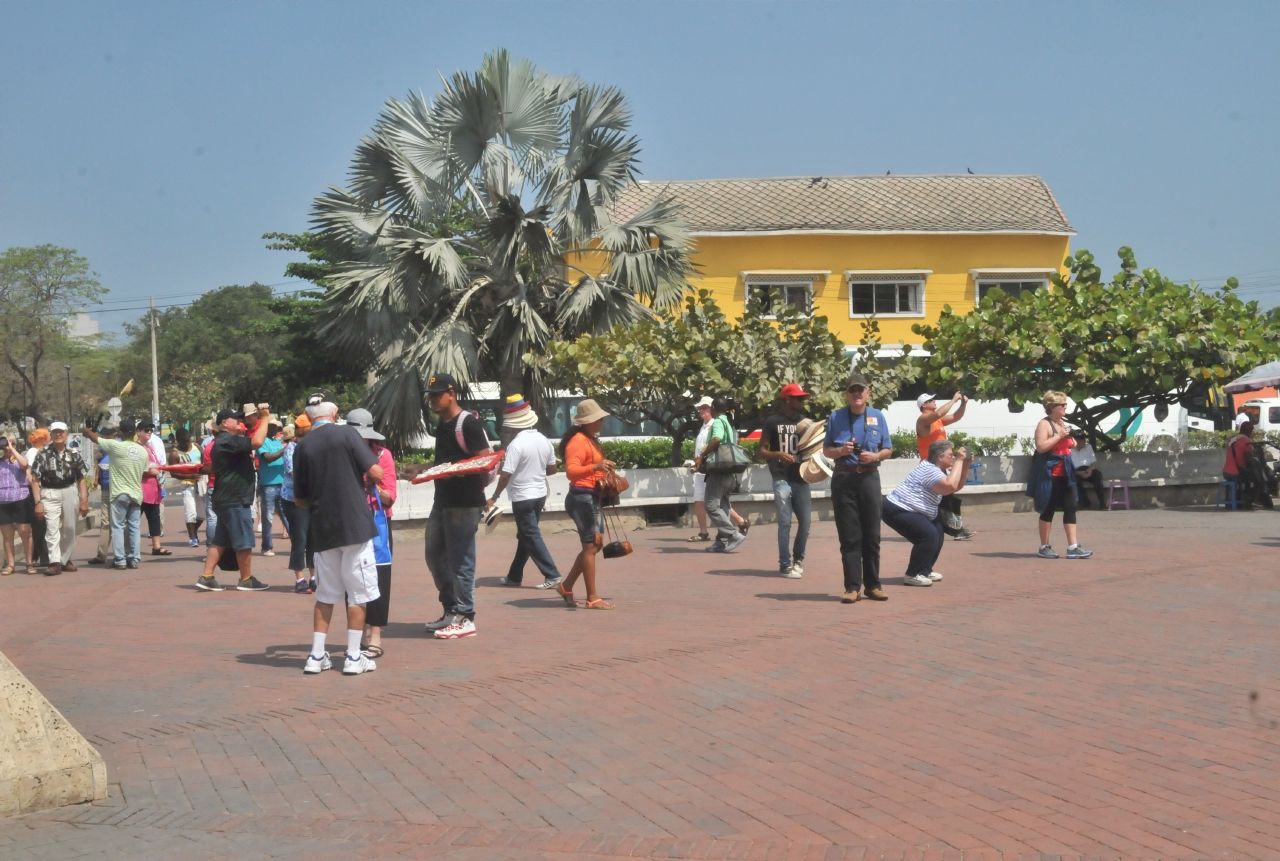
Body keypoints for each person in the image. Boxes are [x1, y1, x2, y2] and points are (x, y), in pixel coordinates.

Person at [295, 401, 384, 675]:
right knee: (358, 594)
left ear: (310, 420)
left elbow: (299, 499)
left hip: (323, 529)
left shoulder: (303, 446)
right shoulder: (348, 434)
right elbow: (376, 472)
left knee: (325, 595)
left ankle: (316, 655)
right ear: (334, 415)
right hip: (354, 525)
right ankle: (354, 657)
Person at [423, 374, 490, 638]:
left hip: (464, 502)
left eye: (436, 394)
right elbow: (446, 461)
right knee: (434, 555)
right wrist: (424, 468)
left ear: (451, 394)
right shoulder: (442, 424)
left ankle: (466, 616)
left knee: (460, 560)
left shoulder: (469, 424)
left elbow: (485, 460)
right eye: (430, 395)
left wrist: (457, 472)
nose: (432, 399)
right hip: (443, 501)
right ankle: (451, 610)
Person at [822, 374, 893, 604]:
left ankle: (873, 585)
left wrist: (875, 455)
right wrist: (841, 451)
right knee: (850, 536)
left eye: (860, 390)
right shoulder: (836, 417)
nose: (856, 394)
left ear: (867, 393)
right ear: (846, 394)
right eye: (852, 390)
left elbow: (888, 449)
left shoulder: (877, 416)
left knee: (872, 535)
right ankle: (853, 587)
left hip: (869, 478)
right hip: (844, 478)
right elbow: (826, 450)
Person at [195, 406, 272, 591]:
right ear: (224, 423)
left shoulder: (225, 441)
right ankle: (246, 579)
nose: (240, 421)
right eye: (235, 419)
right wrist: (265, 418)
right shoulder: (227, 440)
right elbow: (257, 442)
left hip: (227, 498)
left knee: (220, 540)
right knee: (244, 541)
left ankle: (206, 576)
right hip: (235, 498)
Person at [489, 394, 562, 591]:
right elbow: (552, 470)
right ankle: (514, 576)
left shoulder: (516, 445)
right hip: (539, 495)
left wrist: (494, 497)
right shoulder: (544, 440)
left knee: (530, 535)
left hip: (522, 497)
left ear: (512, 424)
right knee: (526, 535)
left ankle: (552, 574)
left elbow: (505, 475)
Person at [882, 439, 972, 587]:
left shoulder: (941, 470)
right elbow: (949, 486)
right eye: (951, 455)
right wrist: (959, 462)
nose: (953, 457)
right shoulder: (928, 469)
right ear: (940, 457)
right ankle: (913, 575)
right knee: (927, 535)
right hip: (898, 508)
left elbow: (955, 486)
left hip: (913, 509)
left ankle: (924, 570)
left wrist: (965, 464)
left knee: (938, 531)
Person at [345, 408, 397, 659]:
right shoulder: (342, 457)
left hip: (377, 524)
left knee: (378, 578)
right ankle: (357, 634)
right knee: (352, 579)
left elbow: (389, 498)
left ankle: (375, 633)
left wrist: (372, 480)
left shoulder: (382, 456)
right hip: (350, 522)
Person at [556, 398, 615, 610]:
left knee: (595, 545)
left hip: (591, 496)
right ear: (588, 421)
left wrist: (601, 467)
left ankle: (567, 586)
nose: (601, 422)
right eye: (597, 419)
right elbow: (571, 471)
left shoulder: (588, 438)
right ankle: (592, 597)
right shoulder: (579, 441)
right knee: (590, 546)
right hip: (582, 497)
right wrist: (596, 466)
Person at [758, 383, 812, 578]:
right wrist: (777, 454)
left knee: (805, 522)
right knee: (785, 523)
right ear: (787, 400)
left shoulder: (806, 422)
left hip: (802, 478)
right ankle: (784, 564)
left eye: (803, 398)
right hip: (781, 478)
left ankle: (798, 559)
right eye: (799, 398)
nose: (802, 401)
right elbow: (761, 452)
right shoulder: (773, 422)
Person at [82, 418, 150, 570]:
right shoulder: (142, 450)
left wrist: (86, 431)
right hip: (136, 493)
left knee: (117, 526)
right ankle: (133, 558)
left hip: (119, 493)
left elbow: (94, 437)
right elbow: (145, 472)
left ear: (120, 432)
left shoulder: (115, 446)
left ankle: (119, 559)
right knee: (134, 527)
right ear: (135, 433)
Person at [1030, 391, 1092, 559]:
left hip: (1066, 472)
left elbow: (1067, 444)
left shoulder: (1062, 423)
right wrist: (1059, 436)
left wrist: (1071, 441)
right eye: (1062, 405)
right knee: (1048, 508)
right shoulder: (1044, 424)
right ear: (1052, 407)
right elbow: (1041, 447)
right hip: (1050, 473)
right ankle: (1044, 546)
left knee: (1071, 506)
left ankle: (1072, 546)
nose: (1065, 407)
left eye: (1065, 404)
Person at [29, 422, 90, 576]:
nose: (58, 435)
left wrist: (84, 500)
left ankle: (66, 559)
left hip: (69, 490)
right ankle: (54, 562)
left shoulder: (74, 454)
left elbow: (81, 478)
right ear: (51, 434)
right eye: (55, 432)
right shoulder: (42, 454)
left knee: (70, 528)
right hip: (50, 492)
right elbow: (35, 479)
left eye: (61, 432)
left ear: (66, 434)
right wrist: (38, 503)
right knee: (52, 528)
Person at [915, 392, 976, 541]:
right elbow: (938, 413)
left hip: (939, 465)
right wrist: (954, 399)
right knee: (943, 497)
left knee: (945, 496)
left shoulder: (938, 420)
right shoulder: (923, 419)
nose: (934, 401)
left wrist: (963, 404)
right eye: (931, 400)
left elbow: (956, 417)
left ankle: (953, 528)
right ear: (924, 405)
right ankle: (955, 529)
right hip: (930, 466)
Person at [687, 397, 749, 542]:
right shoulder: (726, 421)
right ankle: (722, 541)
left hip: (718, 470)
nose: (702, 411)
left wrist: (702, 456)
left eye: (706, 408)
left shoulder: (718, 423)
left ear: (713, 407)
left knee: (711, 506)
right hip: (727, 470)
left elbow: (716, 439)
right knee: (723, 505)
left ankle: (732, 535)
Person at [281, 415, 316, 593]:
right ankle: (299, 578)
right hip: (294, 500)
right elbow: (294, 473)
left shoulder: (312, 446)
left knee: (313, 538)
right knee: (300, 539)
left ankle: (314, 576)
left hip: (311, 499)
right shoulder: (291, 449)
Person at [0, 433, 34, 576]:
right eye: (6, 444)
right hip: (3, 500)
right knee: (7, 535)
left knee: (25, 532)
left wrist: (12, 450)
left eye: (12, 444)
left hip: (21, 498)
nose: (8, 447)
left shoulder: (20, 459)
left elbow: (25, 465)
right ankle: (10, 564)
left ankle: (29, 563)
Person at [136, 420, 172, 557]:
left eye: (150, 430)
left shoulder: (150, 448)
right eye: (146, 430)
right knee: (134, 519)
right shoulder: (136, 448)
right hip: (141, 489)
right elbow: (138, 468)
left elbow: (156, 464)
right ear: (138, 432)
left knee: (154, 518)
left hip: (154, 489)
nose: (149, 433)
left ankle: (156, 546)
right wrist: (153, 471)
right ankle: (129, 548)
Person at [167, 428, 205, 546]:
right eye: (183, 441)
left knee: (203, 512)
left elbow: (205, 461)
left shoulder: (197, 447)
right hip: (187, 484)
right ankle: (193, 538)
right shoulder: (174, 454)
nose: (186, 443)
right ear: (178, 440)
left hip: (201, 482)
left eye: (188, 441)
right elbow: (173, 473)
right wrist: (190, 475)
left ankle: (192, 531)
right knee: (191, 510)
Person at [1223, 420, 1271, 509]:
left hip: (1226, 472)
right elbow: (1248, 458)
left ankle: (1230, 503)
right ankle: (1246, 502)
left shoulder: (1232, 439)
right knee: (1253, 481)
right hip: (1236, 473)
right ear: (1249, 431)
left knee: (1247, 479)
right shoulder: (1246, 441)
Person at [255, 421, 287, 556]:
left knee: (287, 515)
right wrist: (284, 450)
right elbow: (268, 458)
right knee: (268, 517)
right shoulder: (262, 442)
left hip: (282, 483)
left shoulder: (277, 441)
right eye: (274, 427)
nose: (277, 429)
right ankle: (267, 547)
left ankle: (298, 544)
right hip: (268, 484)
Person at [87, 424, 117, 565]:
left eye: (107, 434)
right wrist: (96, 476)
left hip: (119, 488)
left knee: (120, 522)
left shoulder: (118, 446)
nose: (105, 437)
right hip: (105, 487)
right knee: (105, 522)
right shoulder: (102, 448)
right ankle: (101, 554)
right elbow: (99, 464)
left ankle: (122, 554)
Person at [25, 428, 50, 571]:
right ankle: (43, 556)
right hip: (36, 491)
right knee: (40, 524)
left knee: (41, 524)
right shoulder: (33, 453)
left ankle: (38, 554)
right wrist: (38, 487)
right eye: (47, 438)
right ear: (42, 439)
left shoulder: (39, 452)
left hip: (40, 489)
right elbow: (29, 473)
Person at [1070, 431, 1107, 510]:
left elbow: (1094, 462)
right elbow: (1068, 467)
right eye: (1081, 439)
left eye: (1084, 439)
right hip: (1075, 471)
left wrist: (1091, 469)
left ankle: (1102, 503)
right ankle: (1085, 503)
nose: (1084, 441)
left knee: (1097, 475)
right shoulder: (1069, 450)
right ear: (1075, 440)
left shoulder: (1088, 447)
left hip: (1087, 469)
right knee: (1074, 479)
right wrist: (1078, 473)